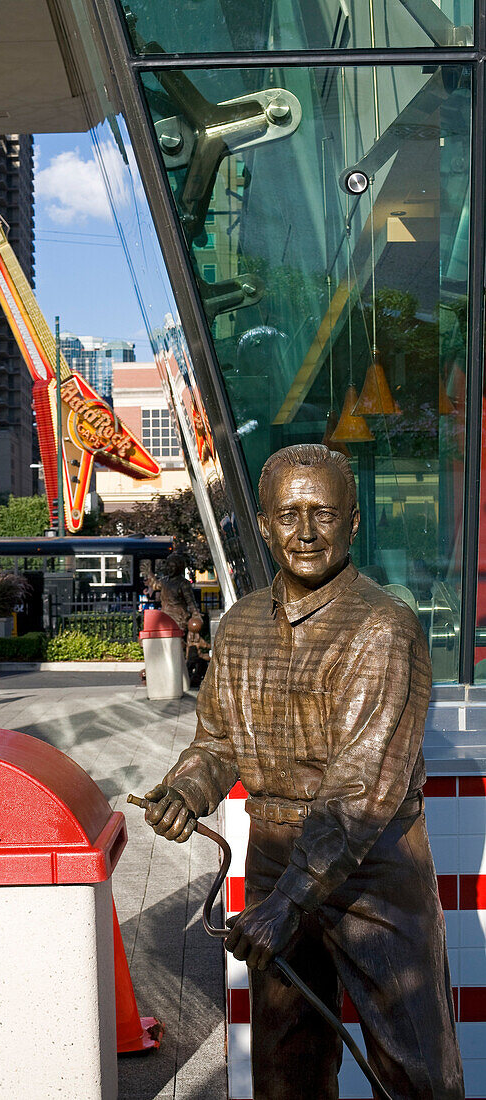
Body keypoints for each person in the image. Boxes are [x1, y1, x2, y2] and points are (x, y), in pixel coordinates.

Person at [142, 444, 464, 1100]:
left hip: (371, 867)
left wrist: (290, 899)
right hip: (273, 855)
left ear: (351, 523)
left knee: (414, 1069)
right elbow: (219, 739)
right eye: (288, 515)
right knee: (285, 1066)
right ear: (261, 525)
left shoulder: (381, 626)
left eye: (323, 513)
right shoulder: (237, 630)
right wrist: (186, 786)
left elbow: (362, 783)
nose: (306, 532)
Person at [145, 552, 199, 633]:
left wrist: (195, 614)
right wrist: (149, 573)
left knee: (177, 640)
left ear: (179, 567)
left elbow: (190, 601)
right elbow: (155, 585)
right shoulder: (164, 581)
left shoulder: (183, 583)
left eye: (172, 566)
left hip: (178, 617)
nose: (169, 568)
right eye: (168, 566)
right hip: (165, 616)